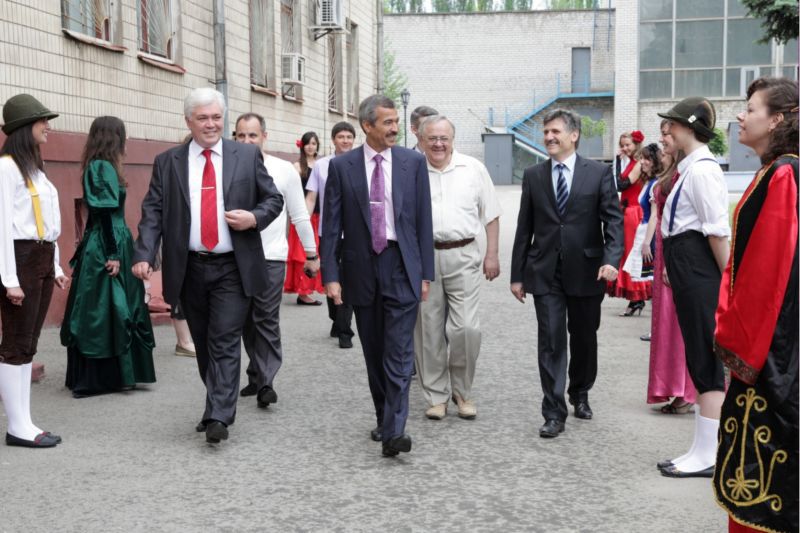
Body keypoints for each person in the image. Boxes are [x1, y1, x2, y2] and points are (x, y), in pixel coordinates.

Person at [132, 88, 283, 445]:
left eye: (217, 117)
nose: (211, 124)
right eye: (203, 118)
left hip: (234, 265)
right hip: (189, 267)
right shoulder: (169, 162)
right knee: (202, 341)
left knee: (225, 339)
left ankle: (219, 415)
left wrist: (254, 218)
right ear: (189, 121)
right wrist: (143, 254)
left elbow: (273, 199)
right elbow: (153, 212)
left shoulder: (246, 156)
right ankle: (215, 402)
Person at [321, 95, 434, 457]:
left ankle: (395, 430)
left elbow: (422, 221)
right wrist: (331, 275)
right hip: (361, 267)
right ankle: (385, 417)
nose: (395, 128)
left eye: (396, 122)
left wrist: (425, 273)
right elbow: (331, 226)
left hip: (401, 265)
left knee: (400, 353)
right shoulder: (342, 167)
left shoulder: (413, 163)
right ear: (366, 126)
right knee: (374, 352)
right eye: (387, 122)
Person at [713, 77, 798, 533]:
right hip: (776, 341)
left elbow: (767, 275)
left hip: (770, 349)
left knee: (763, 473)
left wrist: (735, 340)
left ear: (778, 119)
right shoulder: (776, 171)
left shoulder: (783, 174)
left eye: (750, 108)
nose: (741, 116)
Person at [510, 108, 623, 439]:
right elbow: (524, 228)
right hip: (545, 272)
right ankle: (553, 412)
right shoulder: (533, 175)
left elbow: (613, 220)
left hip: (588, 271)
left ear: (574, 135)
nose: (549, 137)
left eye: (555, 132)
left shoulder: (598, 173)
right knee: (551, 341)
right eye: (546, 132)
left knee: (584, 338)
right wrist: (518, 275)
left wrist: (611, 259)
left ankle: (580, 391)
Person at [655, 96, 730, 478]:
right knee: (699, 361)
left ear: (687, 127)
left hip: (701, 271)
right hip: (688, 266)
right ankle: (701, 449)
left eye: (672, 124)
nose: (667, 130)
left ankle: (710, 455)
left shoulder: (702, 171)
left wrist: (728, 282)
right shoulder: (690, 169)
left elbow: (716, 231)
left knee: (705, 361)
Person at [60, 116, 156, 398]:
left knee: (112, 306)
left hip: (109, 240)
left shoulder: (102, 166)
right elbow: (102, 213)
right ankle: (104, 377)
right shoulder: (101, 166)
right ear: (114, 137)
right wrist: (113, 254)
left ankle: (116, 375)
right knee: (106, 307)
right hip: (107, 244)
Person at [414, 115, 501, 420]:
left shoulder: (473, 169)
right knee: (428, 330)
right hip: (424, 258)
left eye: (444, 138)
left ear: (453, 140)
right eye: (432, 138)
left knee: (467, 328)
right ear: (422, 140)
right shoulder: (411, 169)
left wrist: (492, 254)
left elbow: (490, 214)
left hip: (464, 255)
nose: (438, 144)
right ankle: (436, 396)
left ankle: (462, 392)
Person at [233, 112, 319, 407]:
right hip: (234, 259)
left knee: (266, 319)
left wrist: (311, 254)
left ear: (264, 137)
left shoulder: (283, 171)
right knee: (245, 321)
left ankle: (267, 381)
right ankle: (256, 373)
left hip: (271, 258)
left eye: (252, 135)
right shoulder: (225, 167)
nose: (246, 141)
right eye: (241, 135)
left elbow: (299, 215)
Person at [0, 93, 68, 448]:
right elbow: (1, 229)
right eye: (43, 121)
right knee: (14, 344)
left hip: (40, 258)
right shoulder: (7, 168)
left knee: (28, 344)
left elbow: (48, 224)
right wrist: (9, 280)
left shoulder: (34, 168)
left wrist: (54, 264)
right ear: (26, 127)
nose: (48, 127)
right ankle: (16, 426)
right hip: (20, 259)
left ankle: (25, 421)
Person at [643, 122, 696, 414]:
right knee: (665, 323)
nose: (662, 140)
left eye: (666, 134)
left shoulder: (688, 172)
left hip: (675, 252)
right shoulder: (669, 172)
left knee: (677, 323)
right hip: (665, 250)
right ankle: (673, 386)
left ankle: (686, 390)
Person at [305, 121, 357, 349]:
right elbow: (311, 198)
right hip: (328, 231)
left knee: (348, 279)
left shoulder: (360, 164)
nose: (345, 140)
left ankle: (345, 330)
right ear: (333, 140)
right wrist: (303, 225)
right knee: (330, 276)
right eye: (341, 136)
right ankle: (336, 318)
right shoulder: (321, 165)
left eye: (349, 136)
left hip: (354, 232)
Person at [608, 130, 652, 316]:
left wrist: (617, 162)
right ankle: (636, 299)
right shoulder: (635, 162)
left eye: (628, 145)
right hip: (628, 212)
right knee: (628, 254)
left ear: (636, 145)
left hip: (634, 213)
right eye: (623, 145)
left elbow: (621, 185)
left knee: (631, 255)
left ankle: (637, 298)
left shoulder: (638, 163)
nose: (625, 148)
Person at [286, 131, 324, 305]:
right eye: (308, 143)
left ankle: (308, 289)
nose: (311, 146)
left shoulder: (321, 165)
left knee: (315, 253)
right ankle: (303, 292)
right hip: (303, 216)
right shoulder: (296, 166)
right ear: (302, 146)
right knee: (303, 254)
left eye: (314, 143)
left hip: (318, 215)